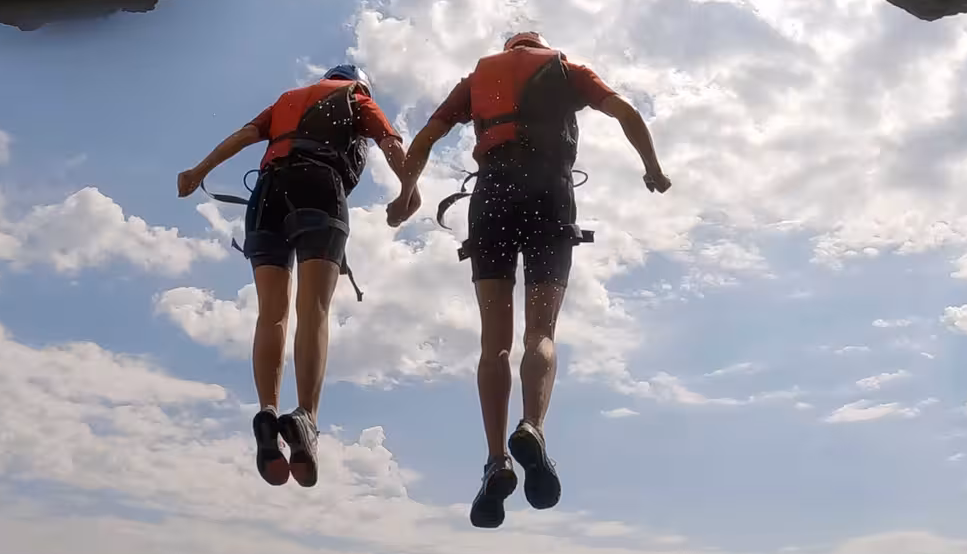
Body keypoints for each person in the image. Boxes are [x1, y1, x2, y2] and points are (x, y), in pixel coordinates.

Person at [386, 32, 670, 528]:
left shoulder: (476, 80)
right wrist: (653, 168)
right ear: (538, 46)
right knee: (540, 333)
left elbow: (426, 138)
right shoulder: (566, 70)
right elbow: (625, 110)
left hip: (491, 196)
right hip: (549, 195)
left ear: (509, 48)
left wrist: (406, 193)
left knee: (493, 343)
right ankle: (532, 428)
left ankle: (496, 461)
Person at [176, 64, 418, 489]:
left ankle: (268, 411)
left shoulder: (287, 101)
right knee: (314, 311)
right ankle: (306, 417)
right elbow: (390, 142)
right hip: (319, 188)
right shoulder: (356, 98)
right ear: (358, 82)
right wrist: (408, 192)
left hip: (266, 195)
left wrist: (198, 172)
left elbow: (243, 137)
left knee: (271, 314)